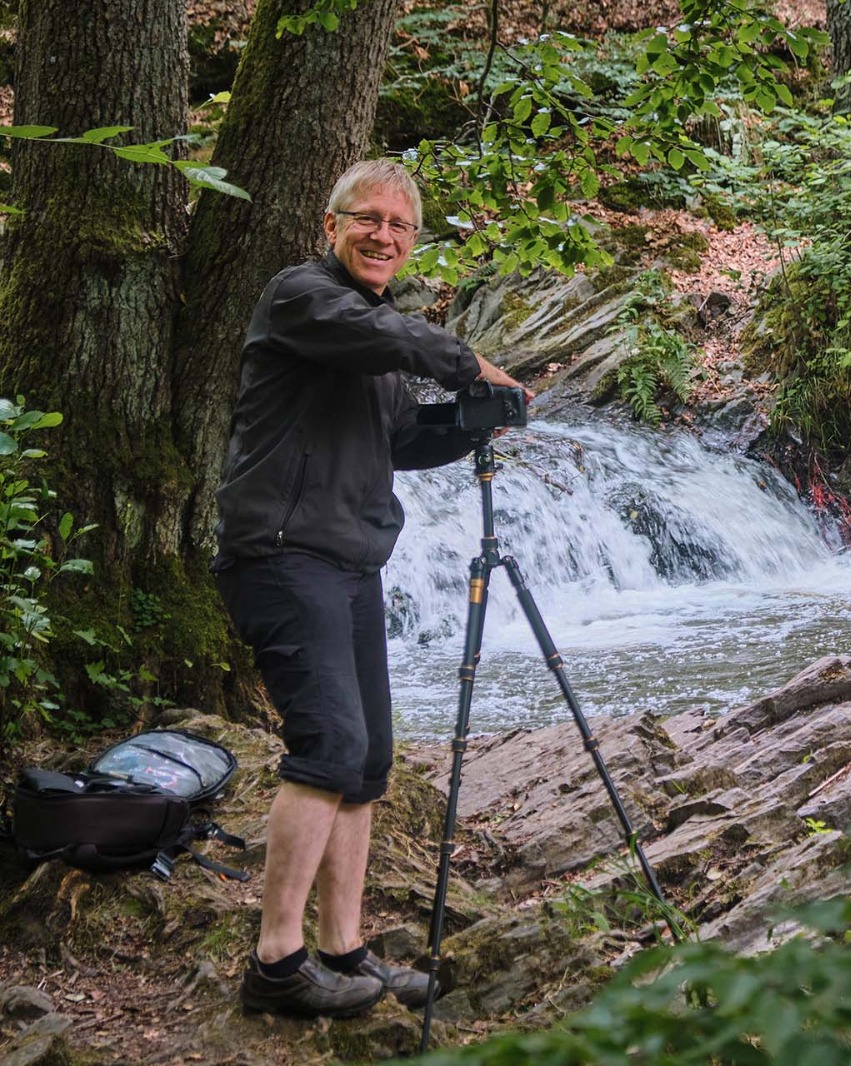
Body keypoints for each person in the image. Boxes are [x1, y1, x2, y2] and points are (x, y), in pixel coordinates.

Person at [212, 159, 528, 1018]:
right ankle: (275, 965)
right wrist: (472, 365)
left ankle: (343, 949)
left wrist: (477, 423)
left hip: (350, 562)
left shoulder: (375, 337)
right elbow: (399, 342)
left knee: (368, 762)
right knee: (327, 748)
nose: (383, 235)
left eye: (399, 226)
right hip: (281, 555)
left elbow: (400, 441)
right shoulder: (301, 299)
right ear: (331, 225)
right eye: (368, 219)